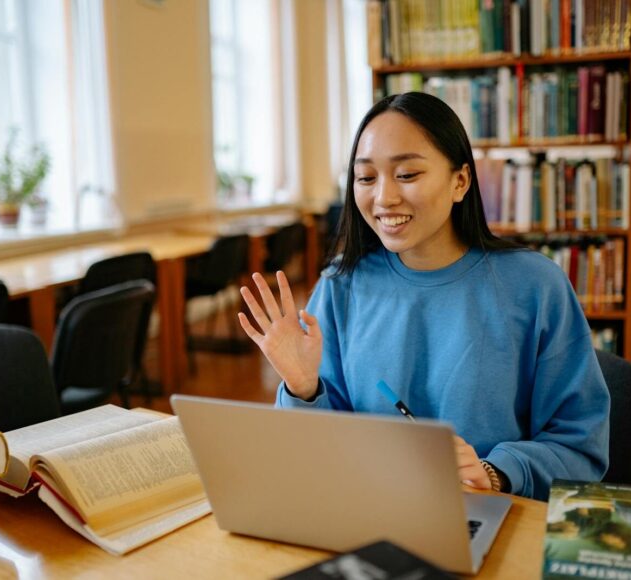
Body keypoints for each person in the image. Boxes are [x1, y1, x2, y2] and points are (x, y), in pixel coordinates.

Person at [238, 91, 610, 501]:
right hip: (370, 508)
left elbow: (580, 446)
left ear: (460, 181)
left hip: (492, 512)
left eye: (407, 175)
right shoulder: (340, 285)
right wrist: (303, 389)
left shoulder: (536, 286)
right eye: (366, 178)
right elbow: (314, 457)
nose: (383, 198)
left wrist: (495, 471)